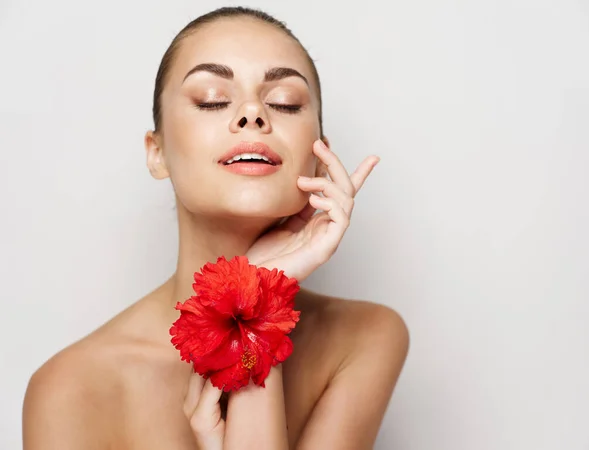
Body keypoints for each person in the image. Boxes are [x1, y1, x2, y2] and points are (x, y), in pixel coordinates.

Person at [22, 6, 409, 450]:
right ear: (157, 153)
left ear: (318, 155)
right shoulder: (71, 389)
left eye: (285, 102)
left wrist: (255, 301)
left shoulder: (366, 336)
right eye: (211, 98)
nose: (253, 114)